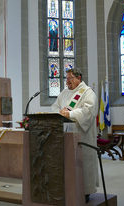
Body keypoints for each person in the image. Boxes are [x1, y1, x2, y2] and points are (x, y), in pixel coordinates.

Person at [51, 68, 98, 203]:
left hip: (83, 136)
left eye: (70, 78)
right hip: (65, 135)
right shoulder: (64, 93)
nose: (67, 81)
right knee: (68, 163)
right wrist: (60, 112)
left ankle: (85, 192)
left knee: (83, 163)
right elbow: (54, 107)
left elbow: (89, 111)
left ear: (79, 78)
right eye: (66, 78)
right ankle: (69, 189)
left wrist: (70, 114)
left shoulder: (88, 92)